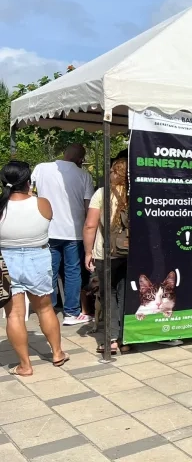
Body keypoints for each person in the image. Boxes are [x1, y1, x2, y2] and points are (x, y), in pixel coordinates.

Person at [0, 161, 68, 376]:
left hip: (5, 261)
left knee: (14, 316)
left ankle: (25, 365)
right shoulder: (42, 203)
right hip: (37, 257)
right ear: (28, 181)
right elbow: (48, 219)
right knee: (45, 308)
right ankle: (57, 353)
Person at [31, 143, 94, 325]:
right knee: (73, 271)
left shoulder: (41, 168)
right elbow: (87, 207)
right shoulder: (84, 176)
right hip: (74, 232)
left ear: (64, 153)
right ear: (80, 159)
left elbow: (31, 193)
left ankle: (47, 310)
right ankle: (71, 312)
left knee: (49, 270)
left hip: (48, 229)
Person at [83, 158, 132, 354]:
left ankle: (111, 338)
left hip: (106, 252)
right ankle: (125, 338)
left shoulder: (102, 193)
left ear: (114, 173)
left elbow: (90, 225)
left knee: (108, 293)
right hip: (131, 252)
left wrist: (88, 252)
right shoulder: (136, 192)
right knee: (125, 293)